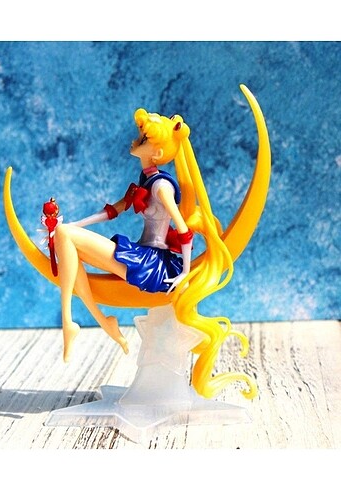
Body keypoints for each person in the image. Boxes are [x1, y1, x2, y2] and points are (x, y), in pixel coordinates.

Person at [54, 108, 257, 400]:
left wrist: (184, 272)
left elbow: (183, 229)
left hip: (152, 264)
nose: (135, 140)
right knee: (68, 240)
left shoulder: (161, 186)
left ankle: (77, 322)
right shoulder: (145, 180)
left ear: (158, 152)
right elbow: (112, 211)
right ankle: (97, 321)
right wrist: (75, 224)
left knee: (66, 238)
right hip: (140, 253)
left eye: (143, 138)